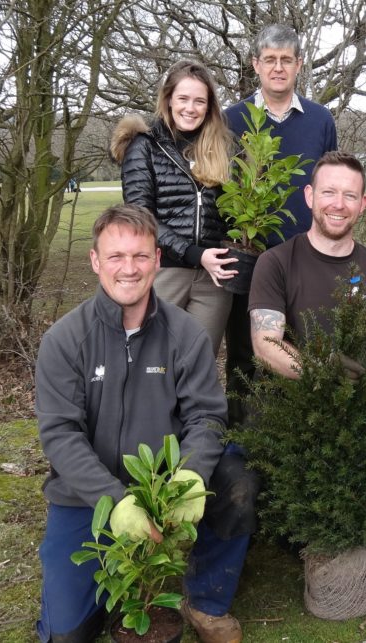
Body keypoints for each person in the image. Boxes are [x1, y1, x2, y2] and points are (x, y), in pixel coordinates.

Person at [35, 204, 257, 643]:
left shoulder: (186, 334)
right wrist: (113, 499)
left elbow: (207, 415)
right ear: (96, 261)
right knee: (68, 635)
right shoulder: (64, 340)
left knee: (239, 480)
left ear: (157, 260)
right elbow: (60, 435)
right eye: (116, 256)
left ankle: (204, 599)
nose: (128, 269)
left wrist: (190, 475)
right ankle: (111, 586)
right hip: (89, 496)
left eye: (140, 256)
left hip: (165, 482)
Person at [224, 25, 338, 420]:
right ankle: (239, 441)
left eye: (286, 60)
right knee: (244, 351)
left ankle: (290, 438)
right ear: (256, 64)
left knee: (298, 348)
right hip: (249, 257)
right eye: (269, 59)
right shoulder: (232, 120)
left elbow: (330, 183)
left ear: (298, 65)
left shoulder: (320, 120)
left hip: (303, 258)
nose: (277, 67)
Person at [111, 59, 235, 355]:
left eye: (199, 101)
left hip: (212, 280)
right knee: (151, 363)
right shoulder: (145, 146)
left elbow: (233, 213)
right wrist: (193, 254)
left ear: (209, 106)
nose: (190, 108)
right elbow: (141, 216)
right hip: (163, 272)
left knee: (198, 366)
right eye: (183, 98)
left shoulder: (223, 149)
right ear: (168, 99)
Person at [248, 151, 366, 377]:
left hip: (353, 406)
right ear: (309, 196)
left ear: (363, 203)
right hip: (281, 404)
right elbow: (265, 346)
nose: (338, 204)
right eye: (328, 192)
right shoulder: (275, 263)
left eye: (350, 196)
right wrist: (321, 372)